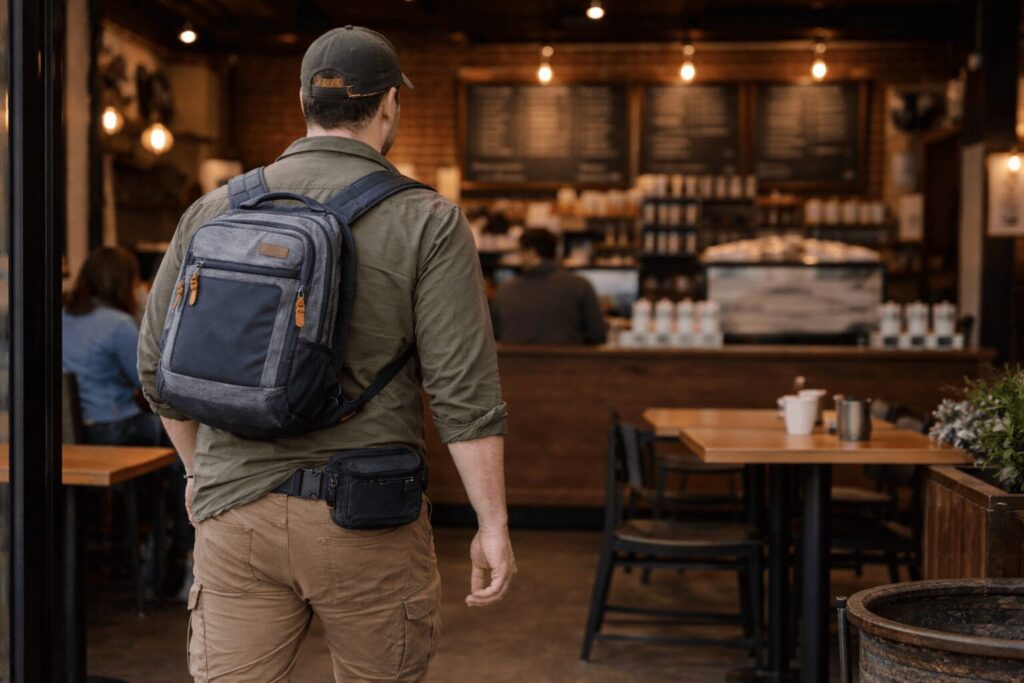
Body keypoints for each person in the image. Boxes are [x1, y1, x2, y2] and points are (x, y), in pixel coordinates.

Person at [137, 26, 514, 682]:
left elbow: (155, 369)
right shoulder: (429, 220)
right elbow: (464, 393)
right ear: (390, 102)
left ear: (305, 102)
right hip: (367, 516)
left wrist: (203, 473)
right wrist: (493, 522)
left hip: (235, 514)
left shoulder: (214, 210)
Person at [63, 246, 163, 446]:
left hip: (69, 427)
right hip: (113, 425)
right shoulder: (120, 324)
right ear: (124, 284)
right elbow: (149, 383)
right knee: (177, 433)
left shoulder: (63, 315)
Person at [491, 228, 607, 345]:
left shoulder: (505, 290)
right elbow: (597, 335)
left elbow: (494, 335)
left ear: (531, 252)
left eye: (520, 252)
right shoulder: (581, 285)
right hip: (567, 362)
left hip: (512, 362)